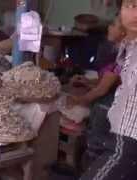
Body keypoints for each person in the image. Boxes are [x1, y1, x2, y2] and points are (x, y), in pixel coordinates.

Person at [80, 0, 137, 179]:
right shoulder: (127, 49)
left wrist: (79, 100)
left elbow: (103, 88)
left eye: (112, 25)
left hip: (128, 138)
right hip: (120, 129)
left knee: (99, 108)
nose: (109, 29)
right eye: (129, 6)